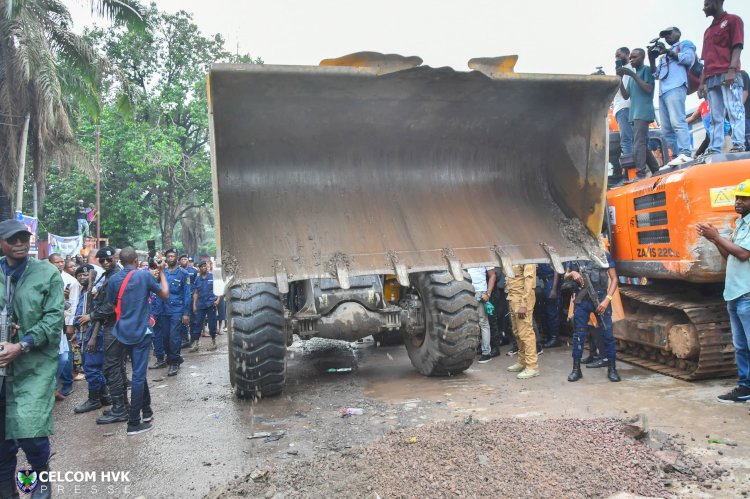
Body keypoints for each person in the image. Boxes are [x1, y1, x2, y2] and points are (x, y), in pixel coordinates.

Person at [0, 219, 64, 497]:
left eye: (23, 239)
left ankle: (39, 479)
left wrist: (23, 343)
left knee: (30, 431)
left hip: (33, 365)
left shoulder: (47, 272)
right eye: (12, 240)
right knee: (2, 440)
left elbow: (54, 317)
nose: (19, 244)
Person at [697, 179, 750, 403]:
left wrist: (717, 237)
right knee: (741, 347)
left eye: (744, 199)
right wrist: (714, 239)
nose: (737, 202)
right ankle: (745, 387)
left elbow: (743, 254)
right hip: (735, 293)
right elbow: (729, 255)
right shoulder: (741, 224)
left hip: (747, 293)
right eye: (737, 198)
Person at [106, 247, 168, 435]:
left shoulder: (114, 279)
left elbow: (112, 304)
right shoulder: (143, 276)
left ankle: (147, 411)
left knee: (136, 371)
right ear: (135, 261)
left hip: (121, 332)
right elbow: (164, 294)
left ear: (121, 261)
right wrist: (163, 272)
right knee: (139, 376)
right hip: (141, 332)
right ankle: (133, 422)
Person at [78, 246, 122, 424]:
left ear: (116, 258)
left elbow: (107, 309)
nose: (105, 262)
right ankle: (106, 399)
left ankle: (99, 400)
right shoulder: (107, 276)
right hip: (104, 326)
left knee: (98, 366)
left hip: (105, 327)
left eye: (108, 259)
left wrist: (93, 329)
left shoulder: (114, 277)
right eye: (101, 260)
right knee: (108, 367)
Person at [564, 253, 621, 383]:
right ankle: (576, 369)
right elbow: (565, 276)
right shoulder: (575, 256)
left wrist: (607, 300)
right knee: (579, 335)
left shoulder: (603, 255)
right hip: (582, 301)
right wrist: (573, 273)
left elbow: (614, 279)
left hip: (601, 300)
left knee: (608, 335)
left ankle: (612, 369)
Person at [699, 0, 745, 155]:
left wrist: (732, 69)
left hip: (728, 73)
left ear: (716, 2)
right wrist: (702, 83)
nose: (703, 8)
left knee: (734, 109)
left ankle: (738, 143)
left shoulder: (733, 20)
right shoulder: (707, 31)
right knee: (714, 116)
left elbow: (737, 45)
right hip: (711, 77)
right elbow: (705, 60)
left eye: (706, 4)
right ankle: (715, 148)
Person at [649, 27, 696, 166]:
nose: (667, 37)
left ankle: (685, 153)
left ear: (678, 33)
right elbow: (655, 75)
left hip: (676, 86)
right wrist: (652, 59)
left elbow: (689, 59)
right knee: (667, 128)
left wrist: (668, 51)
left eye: (669, 33)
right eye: (665, 35)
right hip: (663, 92)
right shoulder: (663, 56)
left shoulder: (685, 44)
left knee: (678, 121)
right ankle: (676, 155)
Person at [73, 264, 112, 413]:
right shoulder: (83, 292)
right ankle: (103, 395)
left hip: (94, 335)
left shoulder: (95, 292)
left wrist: (93, 337)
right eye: (79, 275)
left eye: (85, 275)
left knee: (91, 368)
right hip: (84, 334)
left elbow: (99, 316)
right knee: (94, 367)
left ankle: (94, 399)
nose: (82, 277)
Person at [617, 49, 660, 180]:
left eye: (634, 57)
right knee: (641, 143)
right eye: (630, 58)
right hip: (635, 113)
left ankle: (641, 173)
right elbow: (625, 95)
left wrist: (632, 75)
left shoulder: (646, 70)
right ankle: (655, 169)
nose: (631, 60)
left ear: (642, 57)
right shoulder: (631, 77)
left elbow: (648, 88)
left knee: (638, 143)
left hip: (643, 111)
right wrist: (619, 79)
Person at [48, 254, 79, 400]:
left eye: (61, 262)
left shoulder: (70, 281)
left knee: (64, 357)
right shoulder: (45, 279)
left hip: (63, 322)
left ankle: (59, 385)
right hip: (48, 324)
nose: (59, 264)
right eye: (56, 262)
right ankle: (51, 388)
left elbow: (72, 304)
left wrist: (70, 324)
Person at [505, 264, 539, 379]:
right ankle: (522, 362)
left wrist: (524, 303)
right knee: (517, 332)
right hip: (513, 297)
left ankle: (532, 366)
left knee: (526, 333)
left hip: (522, 299)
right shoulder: (513, 255)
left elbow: (529, 280)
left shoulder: (526, 255)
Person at [162, 249, 191, 376]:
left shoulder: (184, 274)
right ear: (166, 258)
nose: (171, 258)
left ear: (177, 258)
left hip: (177, 310)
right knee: (165, 338)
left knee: (174, 337)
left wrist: (186, 313)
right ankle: (174, 357)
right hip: (163, 310)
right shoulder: (163, 273)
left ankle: (174, 363)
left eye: (173, 256)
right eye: (169, 256)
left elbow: (187, 295)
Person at [467, 267, 496, 364]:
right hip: (467, 291)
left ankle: (486, 353)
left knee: (483, 322)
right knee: (470, 322)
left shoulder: (484, 255)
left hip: (480, 292)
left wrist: (488, 293)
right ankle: (477, 348)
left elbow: (492, 275)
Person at [191, 261, 220, 352]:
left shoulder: (212, 276)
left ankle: (213, 342)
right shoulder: (197, 279)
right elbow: (195, 293)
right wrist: (194, 305)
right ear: (199, 268)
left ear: (207, 267)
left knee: (212, 324)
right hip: (200, 304)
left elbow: (218, 288)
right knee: (198, 324)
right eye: (202, 267)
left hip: (211, 304)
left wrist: (218, 299)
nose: (204, 268)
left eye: (205, 266)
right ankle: (196, 343)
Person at [613, 47, 634, 162]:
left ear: (627, 54)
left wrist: (619, 78)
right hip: (620, 108)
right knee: (627, 138)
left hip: (625, 107)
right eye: (615, 56)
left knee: (626, 139)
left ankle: (631, 167)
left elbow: (625, 92)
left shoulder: (630, 69)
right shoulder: (621, 70)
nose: (617, 57)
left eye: (619, 54)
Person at [537, 263, 562, 349]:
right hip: (543, 282)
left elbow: (556, 271)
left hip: (550, 283)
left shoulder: (552, 252)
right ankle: (549, 337)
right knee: (545, 312)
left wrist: (554, 289)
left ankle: (555, 339)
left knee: (552, 312)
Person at [179, 254, 197, 349]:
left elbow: (196, 286)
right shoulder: (178, 271)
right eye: (182, 259)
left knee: (193, 320)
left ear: (188, 260)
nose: (183, 260)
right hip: (182, 299)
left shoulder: (193, 271)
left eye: (185, 259)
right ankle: (185, 339)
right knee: (183, 320)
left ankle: (193, 340)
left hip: (191, 298)